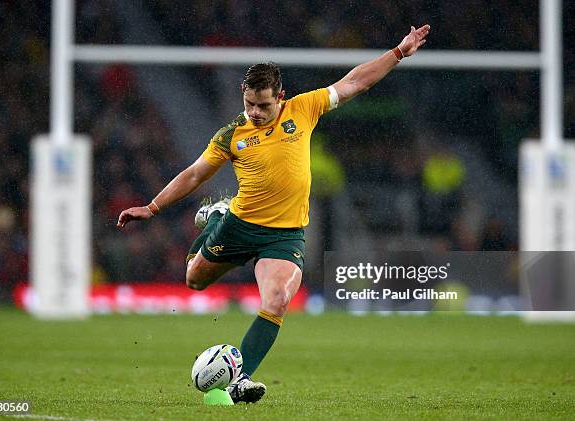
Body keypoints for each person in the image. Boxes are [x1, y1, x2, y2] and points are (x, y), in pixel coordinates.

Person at [117, 24, 431, 403]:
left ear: (280, 97)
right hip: (239, 226)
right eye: (250, 104)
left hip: (284, 235)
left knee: (278, 299)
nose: (255, 112)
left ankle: (239, 380)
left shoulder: (304, 108)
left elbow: (354, 83)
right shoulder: (231, 134)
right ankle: (216, 216)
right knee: (194, 280)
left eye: (264, 105)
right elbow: (196, 174)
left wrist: (397, 53)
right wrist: (152, 207)